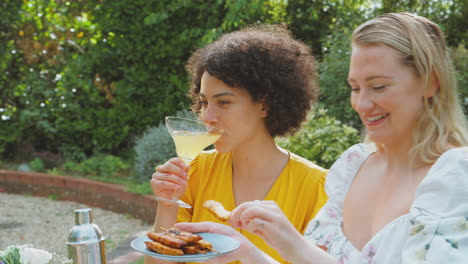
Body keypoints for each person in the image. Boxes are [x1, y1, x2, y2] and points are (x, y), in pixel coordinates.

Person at [176, 12, 468, 263]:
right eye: (355, 88)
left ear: (430, 83)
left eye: (378, 87)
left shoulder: (455, 177)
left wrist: (295, 245)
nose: (362, 104)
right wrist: (246, 251)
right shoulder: (355, 165)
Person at [145, 24, 328, 264]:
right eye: (203, 102)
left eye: (223, 102)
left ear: (264, 104)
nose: (207, 117)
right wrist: (167, 202)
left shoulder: (317, 187)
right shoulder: (196, 171)